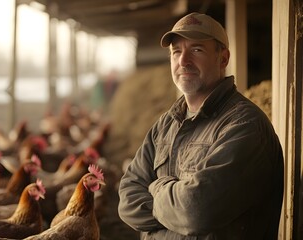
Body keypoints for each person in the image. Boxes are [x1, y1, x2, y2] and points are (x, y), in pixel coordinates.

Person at [118, 12, 284, 240]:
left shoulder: (245, 126)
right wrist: (175, 206)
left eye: (196, 50)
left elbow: (196, 210)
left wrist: (157, 187)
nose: (183, 61)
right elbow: (127, 198)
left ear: (223, 59)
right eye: (176, 51)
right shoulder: (166, 124)